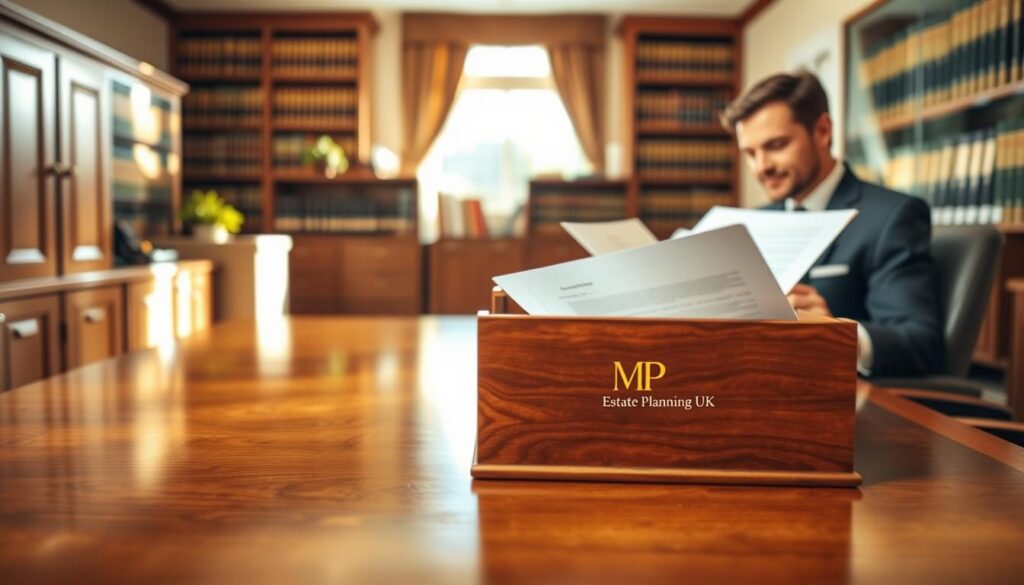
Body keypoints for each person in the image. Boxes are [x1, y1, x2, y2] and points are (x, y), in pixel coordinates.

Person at [720, 71, 944, 378]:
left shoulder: (893, 216)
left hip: (842, 402)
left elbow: (920, 342)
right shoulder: (751, 223)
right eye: (750, 153)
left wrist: (834, 335)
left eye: (776, 145)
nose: (761, 167)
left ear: (823, 131)